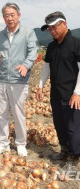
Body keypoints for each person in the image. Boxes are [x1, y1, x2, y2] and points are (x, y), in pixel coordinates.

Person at [0, 3, 38, 157]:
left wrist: (26, 65)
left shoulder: (28, 33)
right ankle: (3, 143)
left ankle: (20, 144)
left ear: (18, 15)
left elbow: (33, 51)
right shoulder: (0, 35)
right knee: (1, 113)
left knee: (18, 113)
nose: (10, 18)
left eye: (12, 15)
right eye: (6, 15)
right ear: (3, 17)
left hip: (19, 80)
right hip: (3, 80)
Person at [36, 11, 80, 162]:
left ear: (65, 24)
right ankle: (65, 152)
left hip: (72, 95)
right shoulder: (51, 47)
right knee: (60, 125)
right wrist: (41, 86)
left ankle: (75, 157)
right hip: (56, 93)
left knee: (73, 128)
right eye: (50, 28)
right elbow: (46, 68)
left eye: (55, 27)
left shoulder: (76, 44)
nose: (52, 31)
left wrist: (77, 93)